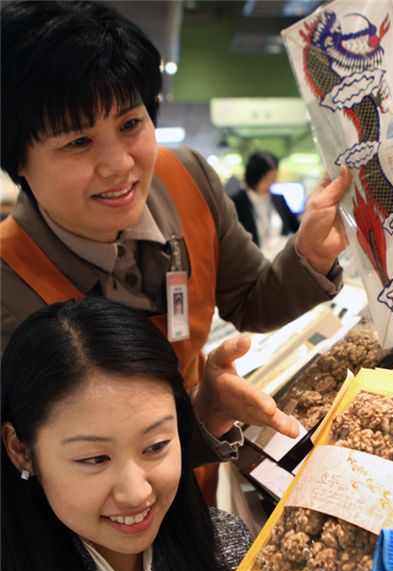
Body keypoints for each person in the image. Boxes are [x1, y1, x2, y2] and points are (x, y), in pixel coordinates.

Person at [1, 297, 375, 571]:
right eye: (94, 460)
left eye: (156, 446)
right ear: (20, 450)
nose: (136, 492)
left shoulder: (228, 549)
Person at [0, 0, 351, 396]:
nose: (118, 165)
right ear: (18, 160)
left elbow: (250, 300)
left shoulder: (186, 177)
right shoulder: (9, 284)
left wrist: (311, 254)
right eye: (78, 141)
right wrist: (203, 418)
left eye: (131, 123)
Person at [231, 152, 301, 251]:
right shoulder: (237, 202)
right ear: (255, 177)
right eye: (267, 179)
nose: (272, 182)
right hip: (252, 261)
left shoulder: (279, 200)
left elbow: (296, 227)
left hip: (280, 259)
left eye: (273, 178)